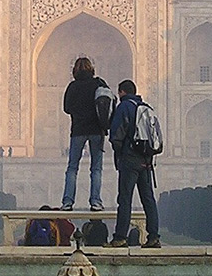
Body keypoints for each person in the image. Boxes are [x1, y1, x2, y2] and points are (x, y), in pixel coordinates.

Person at [106, 79, 161, 249]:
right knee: (148, 200)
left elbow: (116, 134)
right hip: (146, 160)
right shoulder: (146, 108)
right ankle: (153, 237)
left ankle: (120, 237)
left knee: (125, 199)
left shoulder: (124, 107)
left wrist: (120, 152)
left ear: (122, 92)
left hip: (129, 160)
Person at [61, 56, 109, 212]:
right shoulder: (98, 84)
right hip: (96, 130)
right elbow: (108, 101)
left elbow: (66, 108)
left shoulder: (73, 87)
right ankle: (96, 201)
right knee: (96, 168)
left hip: (78, 130)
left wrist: (79, 111)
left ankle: (68, 202)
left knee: (72, 167)